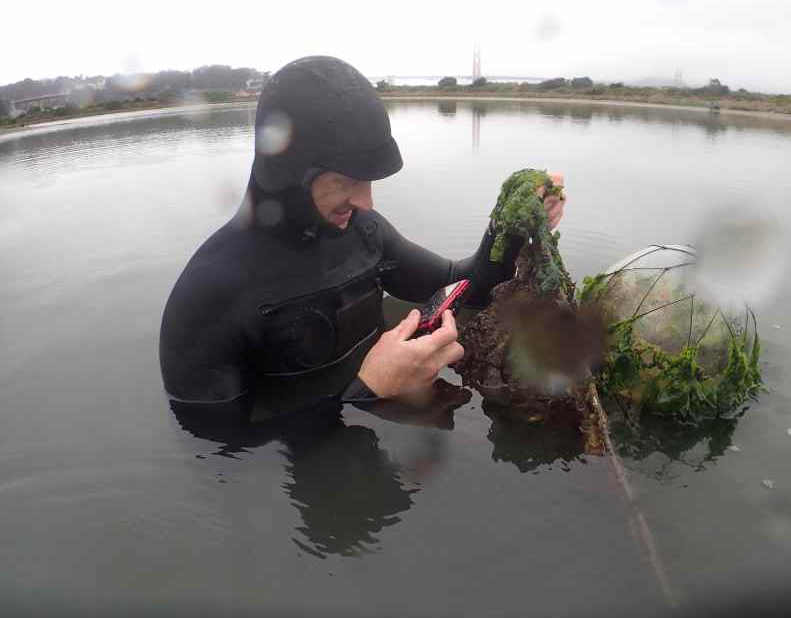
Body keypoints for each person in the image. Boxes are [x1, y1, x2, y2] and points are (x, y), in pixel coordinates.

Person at [159, 55, 565, 436]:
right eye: (348, 181)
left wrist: (510, 223)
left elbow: (466, 287)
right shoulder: (209, 294)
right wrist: (365, 391)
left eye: (369, 182)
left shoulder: (364, 232)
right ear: (290, 171)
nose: (366, 202)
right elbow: (214, 441)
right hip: (315, 461)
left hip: (386, 429)